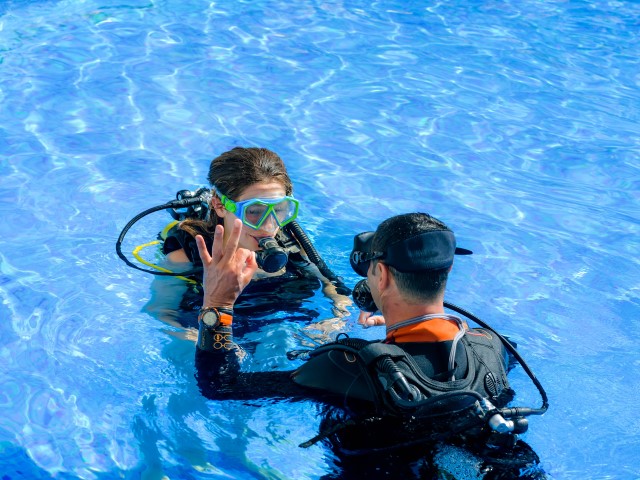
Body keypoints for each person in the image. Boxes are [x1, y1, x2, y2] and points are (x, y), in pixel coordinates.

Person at [193, 212, 547, 479]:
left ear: (383, 275)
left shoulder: (346, 366)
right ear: (447, 272)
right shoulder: (495, 347)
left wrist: (218, 306)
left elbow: (220, 386)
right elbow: (450, 349)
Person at [142, 146, 351, 335]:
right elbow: (162, 311)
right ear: (219, 205)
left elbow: (333, 285)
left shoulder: (292, 241)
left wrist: (336, 318)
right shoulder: (187, 254)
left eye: (278, 209)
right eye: (254, 211)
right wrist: (195, 337)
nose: (269, 225)